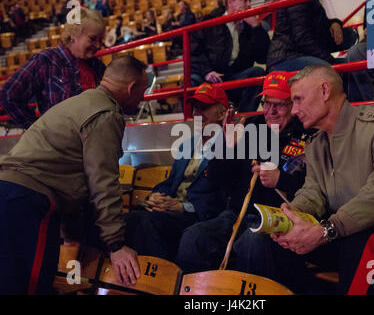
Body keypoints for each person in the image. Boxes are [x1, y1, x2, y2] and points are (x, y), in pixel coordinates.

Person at [235, 64, 374, 294]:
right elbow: (313, 193)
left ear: (324, 91)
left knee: (362, 244)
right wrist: (290, 216)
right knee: (274, 243)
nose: (294, 110)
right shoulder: (316, 143)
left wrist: (326, 230)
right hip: (346, 233)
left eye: (299, 99)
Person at [0, 55, 149, 295]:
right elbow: (103, 183)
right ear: (131, 88)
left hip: (10, 193)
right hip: (27, 202)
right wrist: (116, 245)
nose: (142, 99)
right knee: (29, 287)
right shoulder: (106, 114)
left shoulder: (78, 103)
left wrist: (71, 235)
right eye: (142, 92)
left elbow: (67, 175)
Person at [176, 71, 314, 273]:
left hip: (280, 218)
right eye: (267, 103)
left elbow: (316, 187)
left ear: (293, 104)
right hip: (237, 216)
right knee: (193, 238)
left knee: (252, 242)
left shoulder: (306, 132)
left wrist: (280, 179)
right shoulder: (251, 125)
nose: (271, 111)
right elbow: (217, 178)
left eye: (280, 104)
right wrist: (227, 145)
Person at [125, 83, 229, 265]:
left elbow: (223, 196)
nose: (198, 114)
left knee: (147, 222)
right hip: (173, 211)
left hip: (198, 217)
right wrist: (157, 195)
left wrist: (183, 207)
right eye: (196, 108)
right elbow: (172, 181)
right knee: (131, 218)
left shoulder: (230, 146)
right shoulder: (186, 144)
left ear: (222, 114)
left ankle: (164, 277)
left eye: (204, 108)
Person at [0, 7, 106, 129]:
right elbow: (8, 95)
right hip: (60, 146)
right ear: (73, 34)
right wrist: (38, 130)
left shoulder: (97, 66)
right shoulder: (46, 60)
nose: (98, 45)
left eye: (100, 40)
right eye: (93, 39)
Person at [190, 0, 270, 112]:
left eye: (250, 0)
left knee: (258, 73)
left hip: (234, 77)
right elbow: (194, 52)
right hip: (211, 78)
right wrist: (207, 72)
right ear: (230, 2)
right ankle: (195, 126)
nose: (248, 4)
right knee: (190, 81)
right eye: (244, 0)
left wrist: (256, 27)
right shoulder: (210, 21)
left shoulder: (250, 26)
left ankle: (241, 121)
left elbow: (263, 58)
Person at [266, 0, 358, 72]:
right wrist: (330, 60)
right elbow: (303, 39)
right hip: (285, 58)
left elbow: (318, 26)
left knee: (351, 62)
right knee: (335, 70)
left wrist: (334, 23)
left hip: (299, 54)